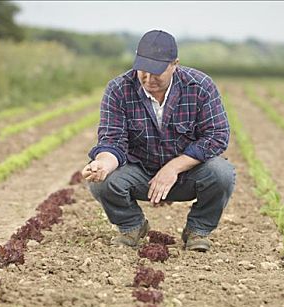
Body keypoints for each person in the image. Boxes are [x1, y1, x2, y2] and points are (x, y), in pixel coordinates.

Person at [82, 30, 235, 252]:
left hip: (186, 175)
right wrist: (103, 163)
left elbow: (217, 136)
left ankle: (198, 230)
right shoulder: (118, 89)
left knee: (222, 173)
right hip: (140, 173)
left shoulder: (200, 86)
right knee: (103, 182)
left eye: (156, 72)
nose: (148, 78)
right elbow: (113, 140)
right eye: (142, 70)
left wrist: (173, 168)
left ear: (175, 65)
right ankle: (132, 226)